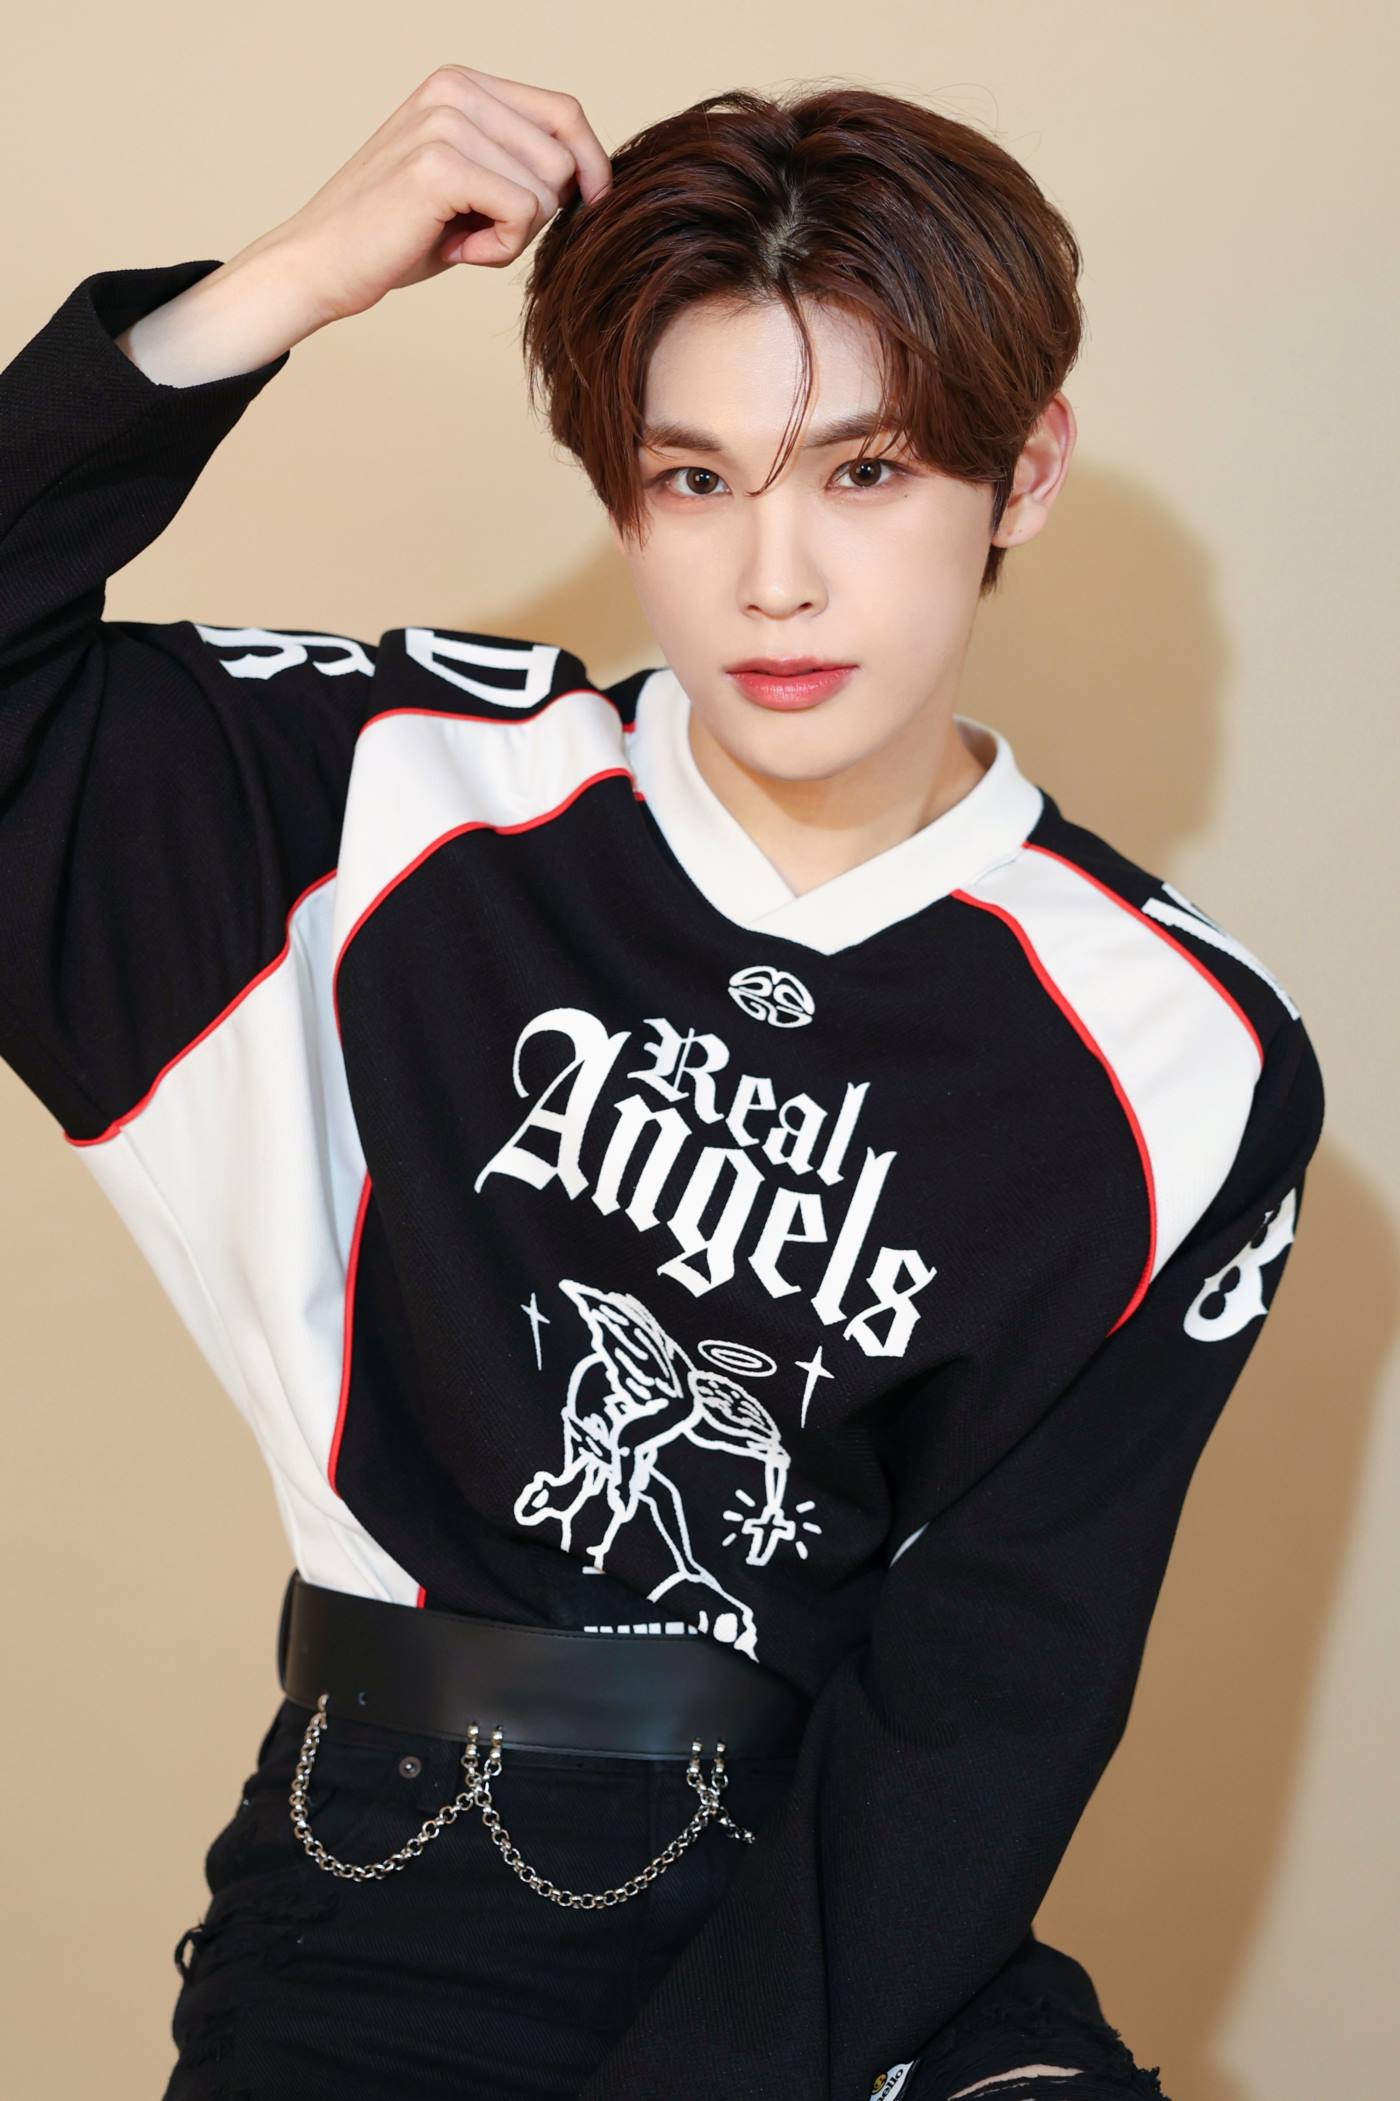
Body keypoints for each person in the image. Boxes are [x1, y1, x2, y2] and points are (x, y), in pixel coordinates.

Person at [0, 62, 1323, 2101]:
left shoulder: (1183, 1052)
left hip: (857, 1932)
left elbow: (995, 1697)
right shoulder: (387, 802)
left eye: (865, 471)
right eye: (692, 479)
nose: (773, 578)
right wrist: (283, 283)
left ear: (1024, 472)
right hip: (397, 1910)